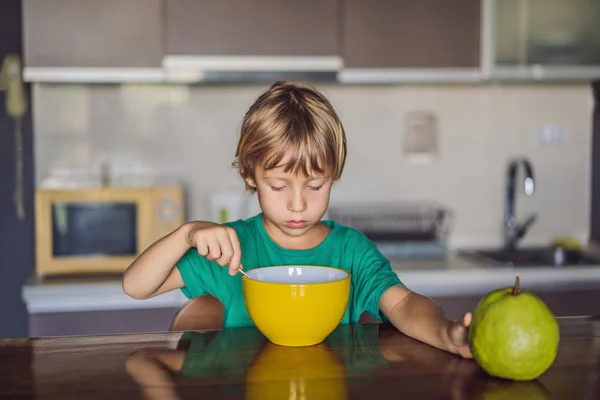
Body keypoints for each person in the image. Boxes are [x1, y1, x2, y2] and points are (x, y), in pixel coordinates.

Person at [122, 81, 473, 359]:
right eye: (278, 186)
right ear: (249, 175)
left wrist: (447, 333)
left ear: (334, 175)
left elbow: (403, 303)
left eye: (316, 185)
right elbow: (136, 286)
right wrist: (186, 234)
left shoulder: (352, 251)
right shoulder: (229, 249)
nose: (298, 204)